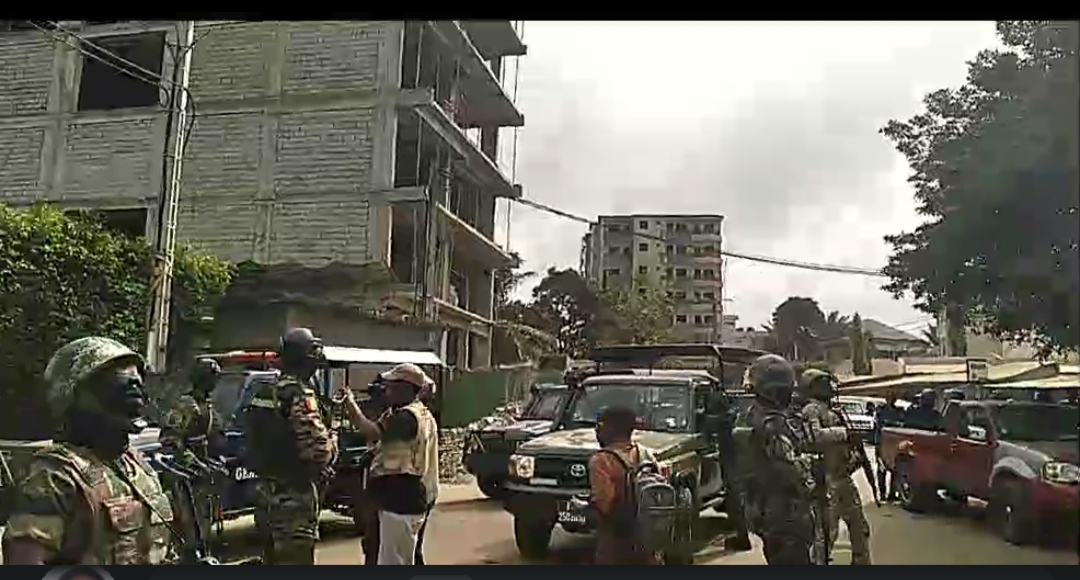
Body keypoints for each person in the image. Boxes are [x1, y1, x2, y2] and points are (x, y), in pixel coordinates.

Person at [2, 337, 177, 564]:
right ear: (75, 395)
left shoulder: (137, 466)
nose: (135, 384)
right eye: (118, 380)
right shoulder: (55, 476)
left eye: (137, 380)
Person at [242, 328, 338, 565]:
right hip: (294, 497)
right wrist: (334, 440)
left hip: (266, 494)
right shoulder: (297, 394)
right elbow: (320, 451)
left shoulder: (263, 392)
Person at [338, 363, 439, 565]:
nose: (386, 391)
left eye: (391, 387)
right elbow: (385, 445)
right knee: (398, 555)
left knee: (394, 559)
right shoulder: (410, 412)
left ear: (406, 388)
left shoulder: (407, 417)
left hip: (401, 497)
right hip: (408, 495)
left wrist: (350, 404)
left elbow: (372, 432)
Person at [733, 354, 816, 565]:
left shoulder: (749, 415)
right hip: (786, 515)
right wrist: (812, 468)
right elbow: (791, 471)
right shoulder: (774, 424)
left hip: (763, 510)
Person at [800, 369, 871, 565]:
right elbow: (815, 437)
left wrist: (855, 454)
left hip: (843, 476)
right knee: (825, 533)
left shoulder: (833, 410)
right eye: (825, 383)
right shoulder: (811, 410)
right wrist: (844, 434)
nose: (830, 387)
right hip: (825, 479)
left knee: (860, 528)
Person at [578, 405, 658, 565]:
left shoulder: (600, 461)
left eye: (599, 426)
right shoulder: (646, 454)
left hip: (616, 541)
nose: (596, 431)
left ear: (611, 429)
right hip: (648, 538)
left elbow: (605, 503)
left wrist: (584, 506)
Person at [161, 357, 223, 541]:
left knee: (203, 526)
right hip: (186, 478)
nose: (215, 382)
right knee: (190, 530)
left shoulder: (206, 404)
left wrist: (214, 462)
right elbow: (170, 439)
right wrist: (194, 464)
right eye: (212, 377)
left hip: (202, 477)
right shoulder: (187, 405)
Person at [873, 394, 903, 501]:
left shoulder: (898, 412)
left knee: (895, 469)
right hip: (882, 443)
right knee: (882, 469)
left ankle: (892, 493)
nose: (891, 400)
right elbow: (877, 427)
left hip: (894, 444)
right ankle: (882, 493)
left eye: (893, 398)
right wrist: (877, 445)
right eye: (889, 398)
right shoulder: (881, 412)